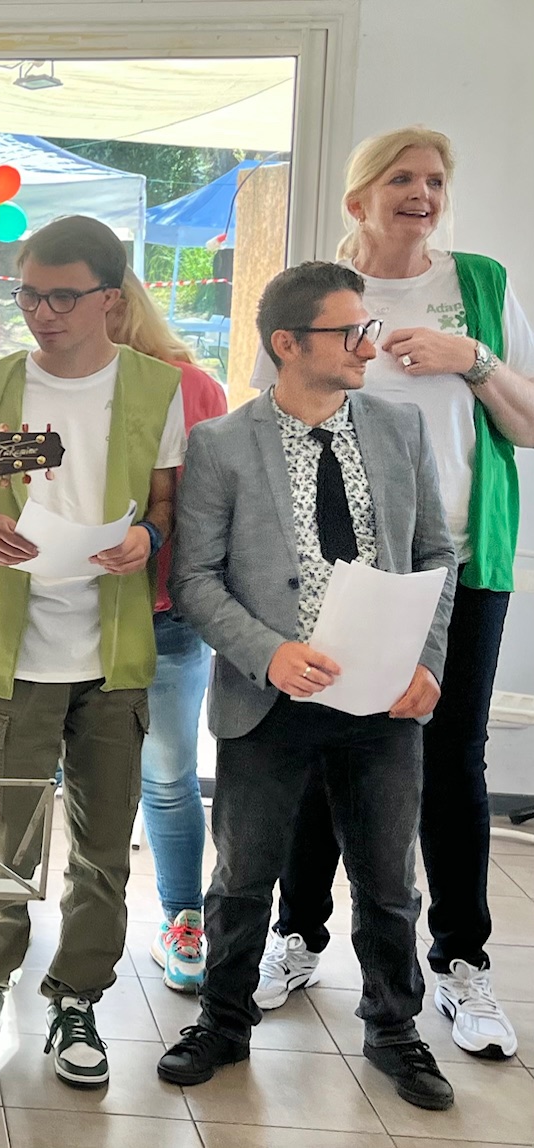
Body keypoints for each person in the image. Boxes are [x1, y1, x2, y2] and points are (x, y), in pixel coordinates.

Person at [247, 128, 530, 1061]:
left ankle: (461, 963)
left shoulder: (478, 284)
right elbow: (267, 418)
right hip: (333, 566)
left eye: (436, 180)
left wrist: (471, 357)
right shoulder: (319, 291)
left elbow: (529, 423)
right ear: (358, 198)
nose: (422, 194)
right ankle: (298, 936)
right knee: (319, 747)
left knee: (452, 760)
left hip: (460, 565)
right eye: (401, 178)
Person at [160, 260, 460, 1110]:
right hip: (269, 699)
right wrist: (268, 652)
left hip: (383, 698)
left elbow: (436, 554)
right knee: (242, 876)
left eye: (368, 327)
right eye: (349, 331)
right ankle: (222, 1022)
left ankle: (395, 1030)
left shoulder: (399, 428)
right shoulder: (222, 444)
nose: (368, 345)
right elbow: (194, 579)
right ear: (287, 344)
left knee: (389, 883)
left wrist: (429, 661)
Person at [0, 214, 185, 1089]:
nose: (42, 313)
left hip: (111, 655)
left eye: (63, 297)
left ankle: (77, 998)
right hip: (12, 650)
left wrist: (146, 538)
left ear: (111, 298)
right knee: (1, 840)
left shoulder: (155, 387)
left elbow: (165, 504)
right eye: (29, 295)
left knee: (103, 849)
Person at [107, 270, 228, 993]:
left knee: (168, 774)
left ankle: (184, 919)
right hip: (73, 608)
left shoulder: (191, 386)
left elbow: (211, 507)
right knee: (68, 772)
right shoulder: (48, 381)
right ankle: (42, 923)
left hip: (167, 611)